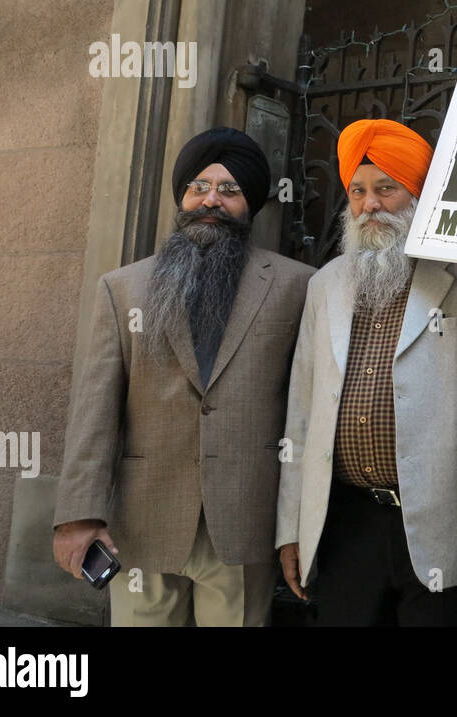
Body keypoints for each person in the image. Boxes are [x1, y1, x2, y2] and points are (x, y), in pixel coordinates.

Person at [276, 118, 457, 626]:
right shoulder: (325, 284)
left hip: (446, 520)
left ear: (417, 194)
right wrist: (291, 526)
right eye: (357, 191)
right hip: (345, 524)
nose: (369, 205)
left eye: (385, 189)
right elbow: (301, 413)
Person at [53, 127, 315, 626]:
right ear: (182, 197)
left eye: (229, 190)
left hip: (244, 523)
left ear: (251, 203)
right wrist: (78, 515)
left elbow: (307, 413)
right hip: (144, 520)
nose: (210, 200)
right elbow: (95, 412)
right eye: (199, 187)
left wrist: (299, 523)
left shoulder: (297, 286)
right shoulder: (123, 288)